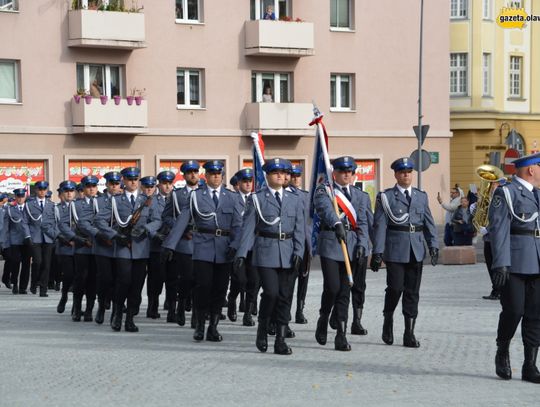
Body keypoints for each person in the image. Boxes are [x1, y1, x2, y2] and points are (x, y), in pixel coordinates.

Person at [162, 160, 243, 342]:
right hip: (203, 247)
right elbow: (182, 221)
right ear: (205, 176)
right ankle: (199, 325)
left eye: (218, 174)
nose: (215, 176)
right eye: (212, 173)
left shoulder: (232, 197)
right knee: (203, 286)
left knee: (220, 289)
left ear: (222, 176)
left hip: (225, 249)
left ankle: (213, 327)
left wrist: (236, 246)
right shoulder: (196, 196)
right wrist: (170, 245)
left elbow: (238, 225)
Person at [234, 158, 305, 355]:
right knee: (271, 293)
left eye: (283, 173)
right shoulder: (257, 199)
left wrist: (299, 252)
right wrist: (241, 254)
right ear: (267, 175)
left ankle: (280, 340)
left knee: (285, 296)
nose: (281, 176)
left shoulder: (295, 199)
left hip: (288, 252)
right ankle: (263, 329)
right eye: (276, 173)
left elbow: (299, 229)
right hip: (265, 251)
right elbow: (248, 228)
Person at [370, 157, 439, 348]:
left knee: (412, 292)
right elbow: (380, 226)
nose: (406, 175)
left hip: (416, 249)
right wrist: (377, 252)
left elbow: (428, 222)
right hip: (395, 250)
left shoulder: (421, 196)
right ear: (396, 174)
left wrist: (433, 245)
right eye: (402, 172)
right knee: (395, 288)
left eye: (409, 172)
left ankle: (409, 332)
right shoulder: (386, 197)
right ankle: (388, 319)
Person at [488, 153, 540, 383]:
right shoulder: (506, 193)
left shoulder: (537, 194)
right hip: (516, 263)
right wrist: (500, 263)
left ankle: (530, 365)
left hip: (537, 262)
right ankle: (503, 349)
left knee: (535, 315)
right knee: (514, 310)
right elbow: (499, 230)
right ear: (531, 170)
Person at [95, 167, 162, 333]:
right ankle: (118, 313)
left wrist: (146, 229)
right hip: (123, 246)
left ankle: (130, 317)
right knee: (123, 281)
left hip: (141, 248)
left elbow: (157, 220)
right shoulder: (115, 200)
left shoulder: (146, 200)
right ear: (123, 181)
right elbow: (99, 220)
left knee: (137, 285)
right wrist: (114, 236)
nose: (133, 182)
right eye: (129, 179)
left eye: (135, 179)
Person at [313, 156, 369, 352]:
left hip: (351, 246)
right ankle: (323, 316)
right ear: (334, 173)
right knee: (333, 287)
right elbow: (324, 209)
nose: (347, 174)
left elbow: (362, 223)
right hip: (331, 243)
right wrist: (337, 223)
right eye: (343, 171)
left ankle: (341, 335)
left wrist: (362, 245)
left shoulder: (360, 196)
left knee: (345, 290)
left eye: (350, 172)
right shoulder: (325, 190)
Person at [160, 160, 200, 327]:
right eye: (189, 172)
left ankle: (198, 313)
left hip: (203, 242)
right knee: (185, 278)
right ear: (184, 176)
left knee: (201, 280)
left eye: (195, 172)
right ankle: (180, 307)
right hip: (184, 243)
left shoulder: (205, 192)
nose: (193, 175)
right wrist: (181, 228)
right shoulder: (176, 195)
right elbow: (166, 216)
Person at [227, 168, 258, 326]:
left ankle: (248, 313)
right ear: (238, 183)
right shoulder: (231, 200)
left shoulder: (257, 199)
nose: (247, 184)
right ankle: (232, 299)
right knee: (239, 279)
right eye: (244, 181)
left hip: (254, 247)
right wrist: (232, 245)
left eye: (250, 181)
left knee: (253, 280)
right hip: (236, 247)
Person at [145, 171, 174, 319]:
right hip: (156, 246)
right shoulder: (151, 201)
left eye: (170, 183)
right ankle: (152, 306)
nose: (167, 186)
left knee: (172, 277)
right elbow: (145, 222)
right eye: (164, 183)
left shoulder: (176, 199)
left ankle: (171, 307)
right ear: (159, 185)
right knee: (156, 278)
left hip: (172, 245)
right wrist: (154, 234)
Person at [289, 164, 312, 325]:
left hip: (305, 244)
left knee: (304, 279)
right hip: (290, 244)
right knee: (289, 280)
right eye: (293, 176)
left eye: (298, 176)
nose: (296, 179)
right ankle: (287, 310)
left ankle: (299, 310)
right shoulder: (286, 195)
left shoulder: (306, 196)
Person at [25, 181, 56, 297]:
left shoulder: (52, 205)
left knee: (47, 264)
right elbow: (25, 222)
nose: (42, 191)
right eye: (40, 189)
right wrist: (27, 236)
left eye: (44, 189)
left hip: (48, 238)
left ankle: (43, 289)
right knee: (37, 261)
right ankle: (33, 284)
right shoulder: (29, 205)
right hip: (35, 237)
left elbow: (55, 222)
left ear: (46, 190)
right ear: (36, 190)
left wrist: (54, 235)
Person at [55, 181, 78, 314]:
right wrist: (62, 238)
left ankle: (76, 304)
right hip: (65, 247)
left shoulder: (80, 206)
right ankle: (64, 296)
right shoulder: (57, 208)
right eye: (66, 191)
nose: (69, 193)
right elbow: (51, 226)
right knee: (68, 275)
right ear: (62, 193)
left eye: (71, 191)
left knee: (79, 277)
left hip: (80, 246)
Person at [5, 188, 32, 294]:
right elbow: (7, 226)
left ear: (25, 197)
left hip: (27, 240)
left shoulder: (29, 208)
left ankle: (23, 287)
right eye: (18, 196)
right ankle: (15, 284)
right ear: (15, 197)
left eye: (22, 196)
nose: (20, 198)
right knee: (15, 263)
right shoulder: (10, 209)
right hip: (15, 240)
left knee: (26, 264)